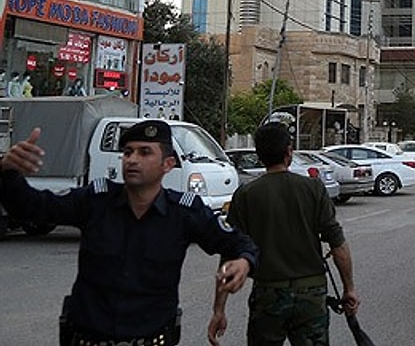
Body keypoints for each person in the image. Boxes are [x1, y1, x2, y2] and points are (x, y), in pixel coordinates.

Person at [0, 120, 257, 345]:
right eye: (127, 152)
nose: (132, 159)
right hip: (87, 338)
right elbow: (32, 208)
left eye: (145, 152)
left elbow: (238, 243)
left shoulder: (184, 213)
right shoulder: (95, 201)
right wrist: (8, 171)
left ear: (167, 164)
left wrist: (244, 261)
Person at [209, 122, 359, 346]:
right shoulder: (314, 189)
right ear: (289, 152)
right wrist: (349, 289)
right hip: (311, 294)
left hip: (268, 294)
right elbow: (337, 244)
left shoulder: (246, 195)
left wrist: (219, 309)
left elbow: (229, 257)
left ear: (259, 155)